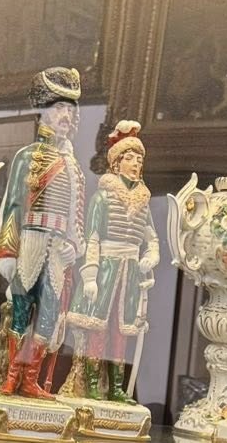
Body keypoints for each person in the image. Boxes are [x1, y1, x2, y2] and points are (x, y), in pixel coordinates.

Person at [0, 66, 85, 398]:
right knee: (21, 310)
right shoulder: (27, 157)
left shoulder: (73, 166)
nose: (66, 116)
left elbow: (76, 213)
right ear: (44, 111)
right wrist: (8, 252)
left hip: (58, 249)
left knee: (48, 315)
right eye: (59, 107)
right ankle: (12, 375)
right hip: (31, 241)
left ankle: (30, 378)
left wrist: (73, 244)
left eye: (70, 110)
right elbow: (13, 206)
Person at [64, 119, 159, 403]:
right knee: (97, 328)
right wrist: (90, 276)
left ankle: (116, 387)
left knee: (122, 331)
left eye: (139, 159)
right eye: (129, 158)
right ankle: (92, 384)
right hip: (106, 269)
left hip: (130, 272)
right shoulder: (102, 198)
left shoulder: (143, 202)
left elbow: (151, 237)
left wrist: (151, 255)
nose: (136, 164)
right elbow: (93, 238)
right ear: (116, 163)